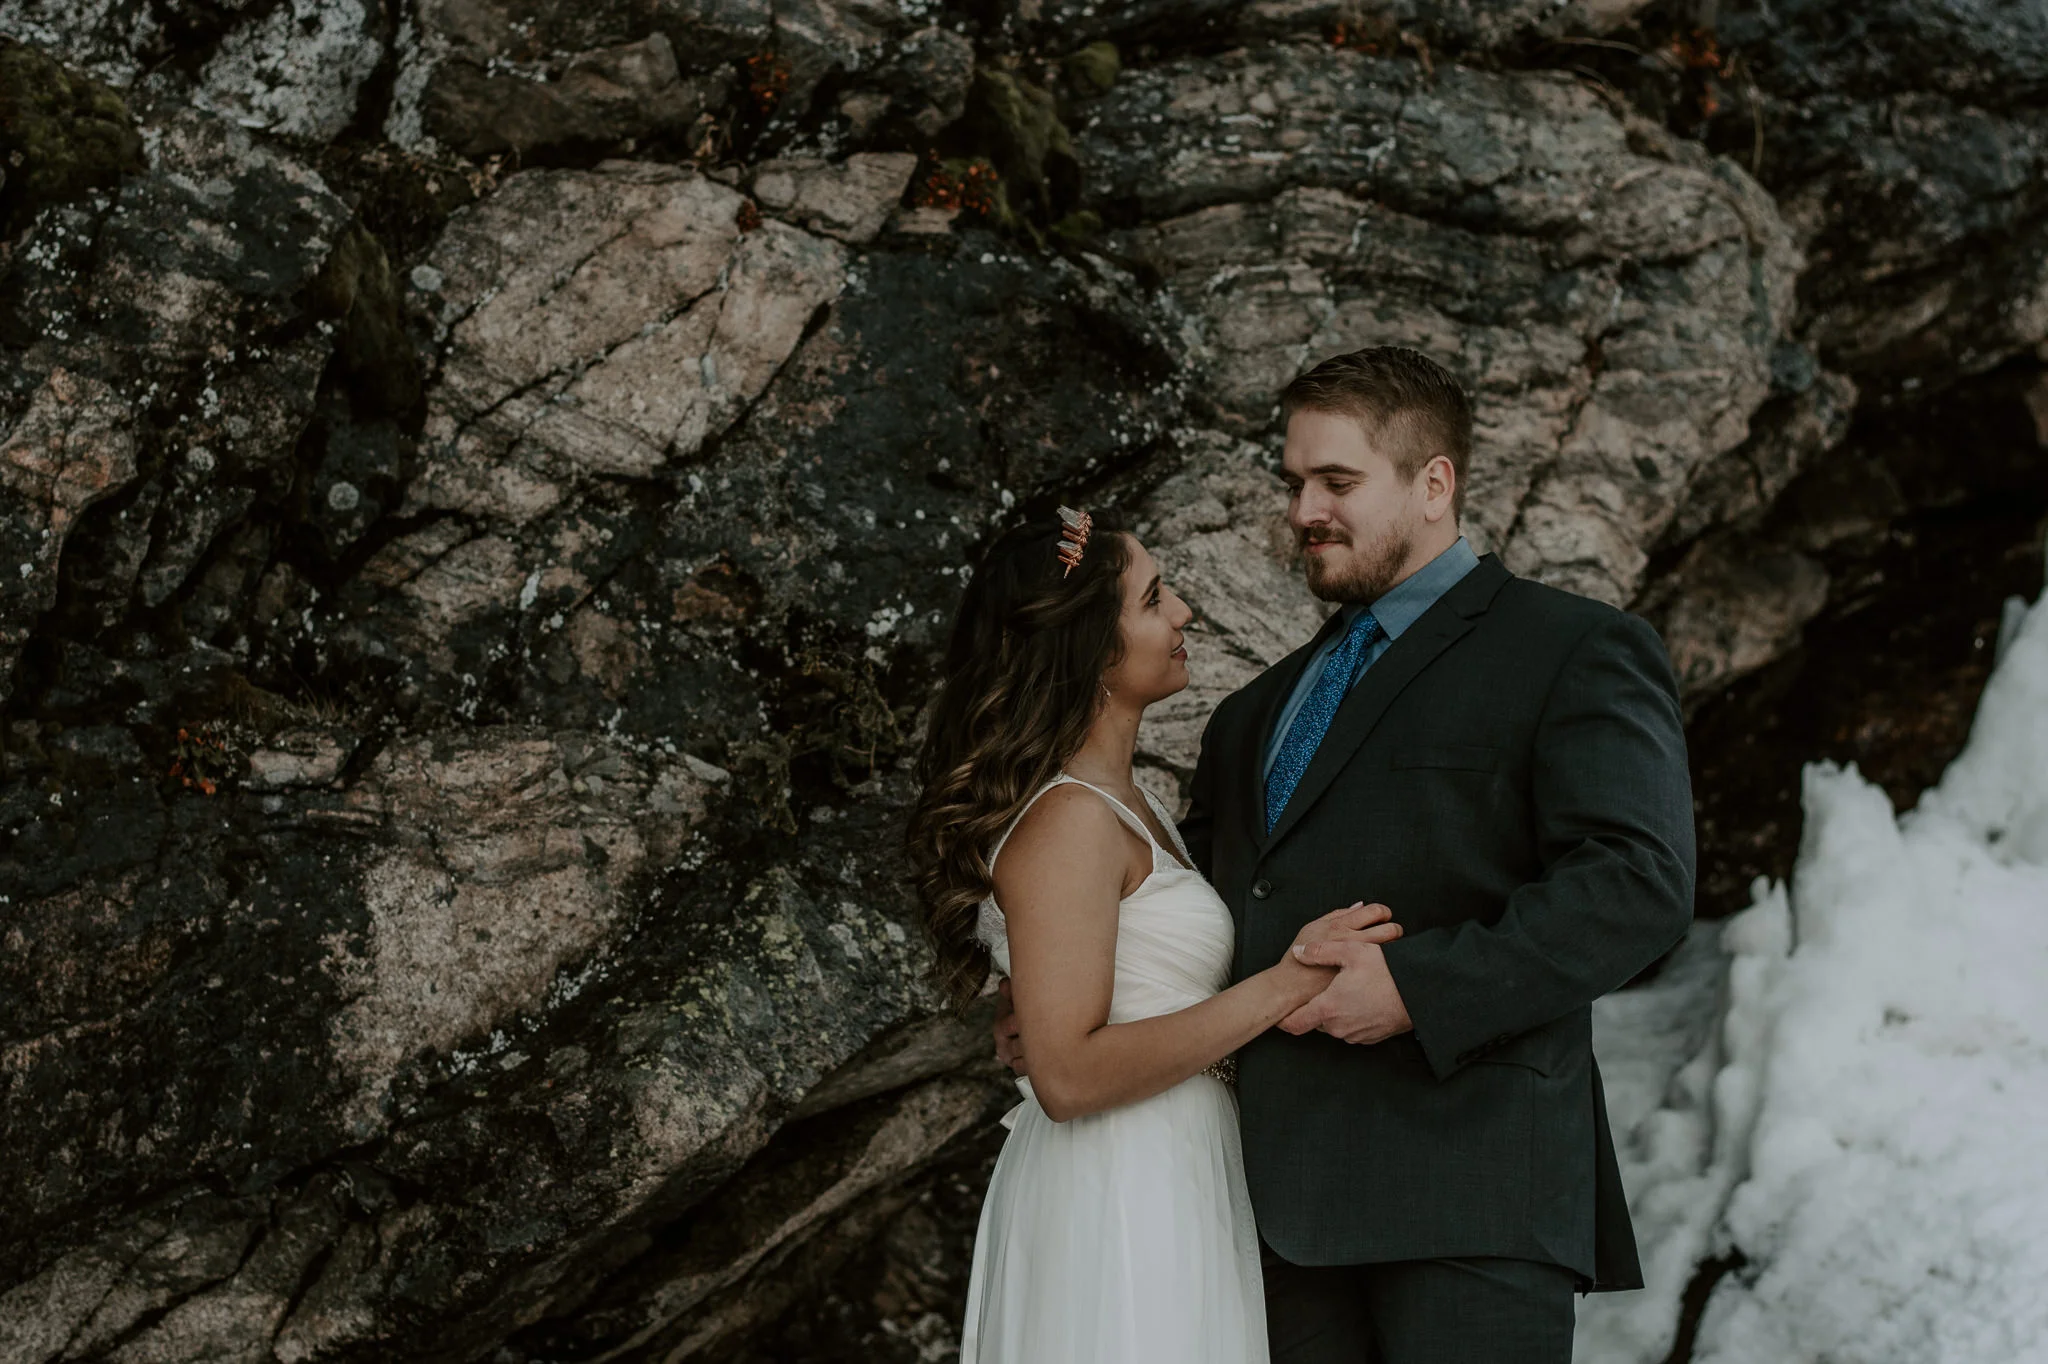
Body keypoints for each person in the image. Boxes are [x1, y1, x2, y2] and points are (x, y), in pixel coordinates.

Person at [994, 346, 1698, 1363]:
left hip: (1467, 1194)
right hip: (1260, 1215)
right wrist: (1061, 994)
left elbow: (1638, 884)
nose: (1303, 511)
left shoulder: (1574, 647)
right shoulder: (1252, 713)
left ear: (1433, 483)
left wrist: (1415, 987)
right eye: (1293, 483)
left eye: (1336, 481)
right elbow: (1198, 913)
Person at [905, 505, 1404, 1364]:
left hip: (1172, 1163)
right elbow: (1067, 1076)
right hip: (1119, 1183)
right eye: (1153, 598)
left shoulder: (1128, 807)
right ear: (1088, 648)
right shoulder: (1068, 820)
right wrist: (1287, 982)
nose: (1182, 613)